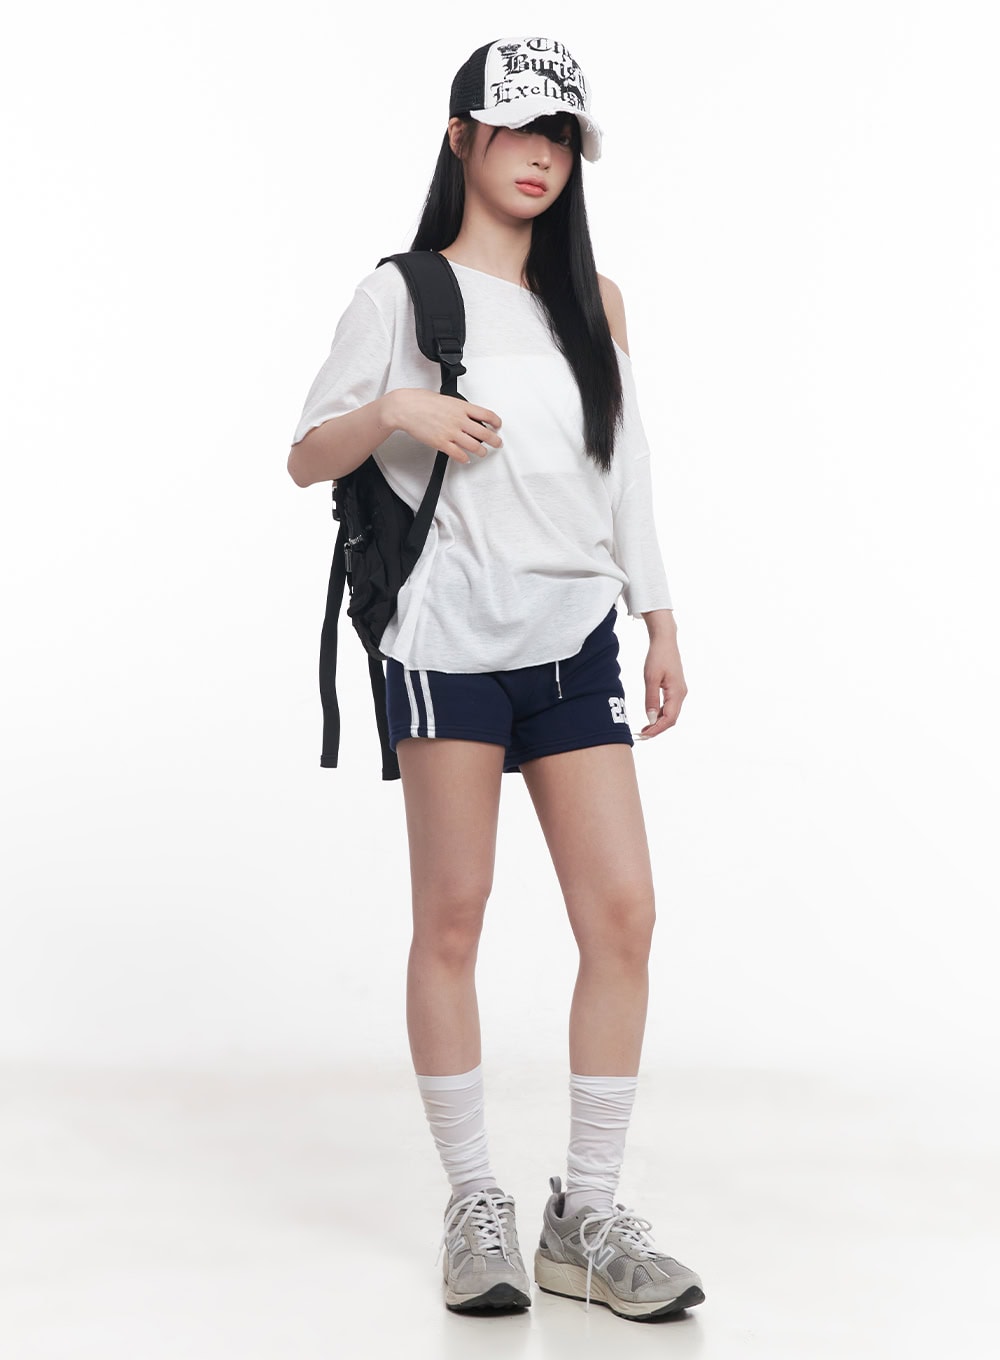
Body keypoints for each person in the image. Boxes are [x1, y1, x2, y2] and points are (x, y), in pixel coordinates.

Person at [287, 36, 705, 1322]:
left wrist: (658, 616)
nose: (540, 154)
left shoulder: (597, 302)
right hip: (446, 644)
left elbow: (625, 468)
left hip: (573, 637)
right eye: (518, 127)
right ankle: (474, 1201)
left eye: (560, 134)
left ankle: (586, 1214)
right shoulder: (401, 296)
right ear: (460, 133)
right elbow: (305, 453)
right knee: (454, 918)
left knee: (622, 915)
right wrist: (395, 413)